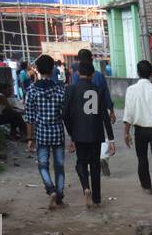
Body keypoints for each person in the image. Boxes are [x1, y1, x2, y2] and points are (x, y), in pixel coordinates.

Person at [62, 54, 114, 210]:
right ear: (92, 75)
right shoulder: (98, 90)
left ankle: (86, 187)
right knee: (95, 165)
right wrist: (111, 139)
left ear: (78, 73)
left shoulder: (71, 89)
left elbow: (65, 114)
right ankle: (97, 199)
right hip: (96, 134)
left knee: (81, 163)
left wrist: (71, 133)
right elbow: (105, 116)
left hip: (79, 133)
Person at [24, 53, 67, 210]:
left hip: (41, 134)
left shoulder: (31, 91)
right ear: (52, 69)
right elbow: (65, 114)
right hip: (57, 133)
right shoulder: (60, 90)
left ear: (38, 70)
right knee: (59, 166)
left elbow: (29, 118)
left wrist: (30, 138)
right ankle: (60, 196)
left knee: (43, 165)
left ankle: (50, 189)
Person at [122, 59, 152, 201]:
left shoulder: (131, 90)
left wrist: (126, 132)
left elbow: (128, 113)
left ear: (138, 72)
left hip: (139, 130)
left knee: (142, 158)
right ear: (151, 74)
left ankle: (146, 185)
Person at [77, 49, 115, 178]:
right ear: (92, 59)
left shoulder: (76, 75)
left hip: (82, 112)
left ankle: (88, 165)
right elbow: (105, 93)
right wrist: (111, 110)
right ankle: (103, 157)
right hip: (98, 110)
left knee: (85, 138)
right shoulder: (98, 75)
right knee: (100, 134)